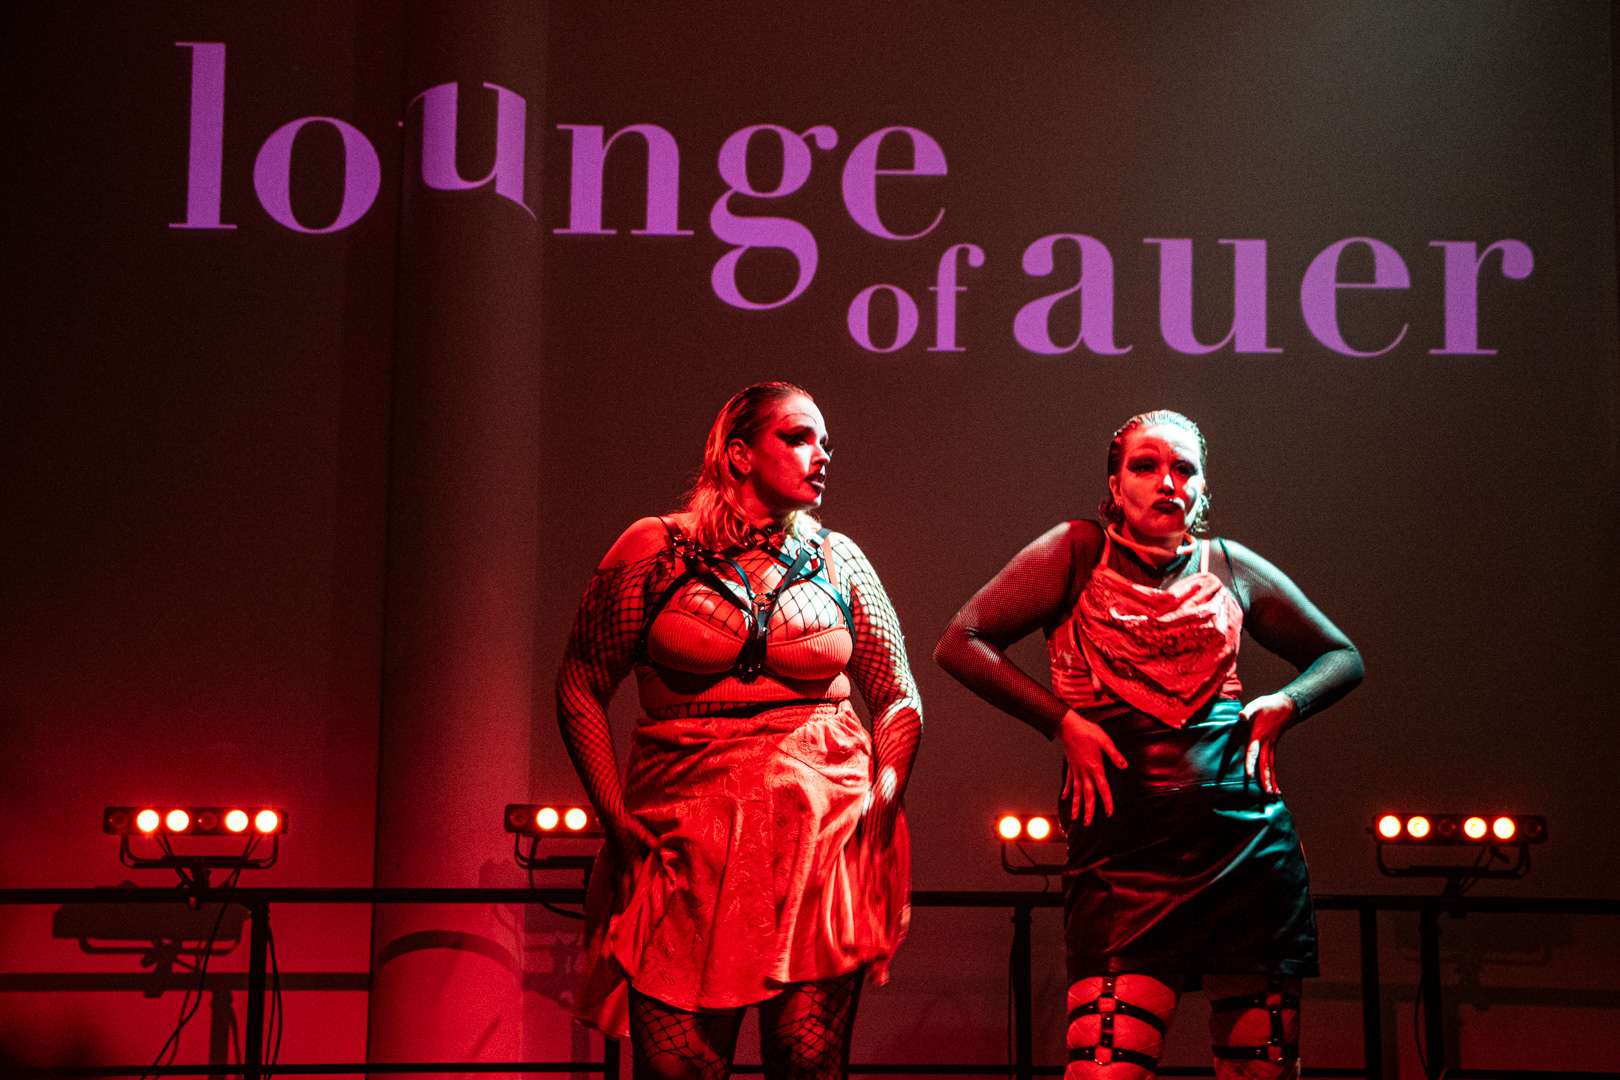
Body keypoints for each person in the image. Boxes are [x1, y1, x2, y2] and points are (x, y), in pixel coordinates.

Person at [934, 410, 1362, 1080]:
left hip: (1244, 846)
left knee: (1262, 1072)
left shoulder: (1229, 564)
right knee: (1105, 1069)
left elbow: (1341, 657)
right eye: (1146, 465)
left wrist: (1286, 703)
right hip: (1124, 850)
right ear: (1115, 483)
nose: (1168, 482)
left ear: (1203, 486)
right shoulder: (1076, 550)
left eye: (1184, 469)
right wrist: (1062, 722)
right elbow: (961, 642)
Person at [557, 382, 922, 1080]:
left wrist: (884, 796)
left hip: (817, 830)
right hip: (683, 835)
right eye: (798, 437)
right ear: (737, 454)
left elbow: (898, 696)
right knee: (679, 1071)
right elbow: (579, 682)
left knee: (806, 1066)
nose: (821, 455)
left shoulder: (840, 558)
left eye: (826, 442)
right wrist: (615, 821)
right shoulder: (656, 547)